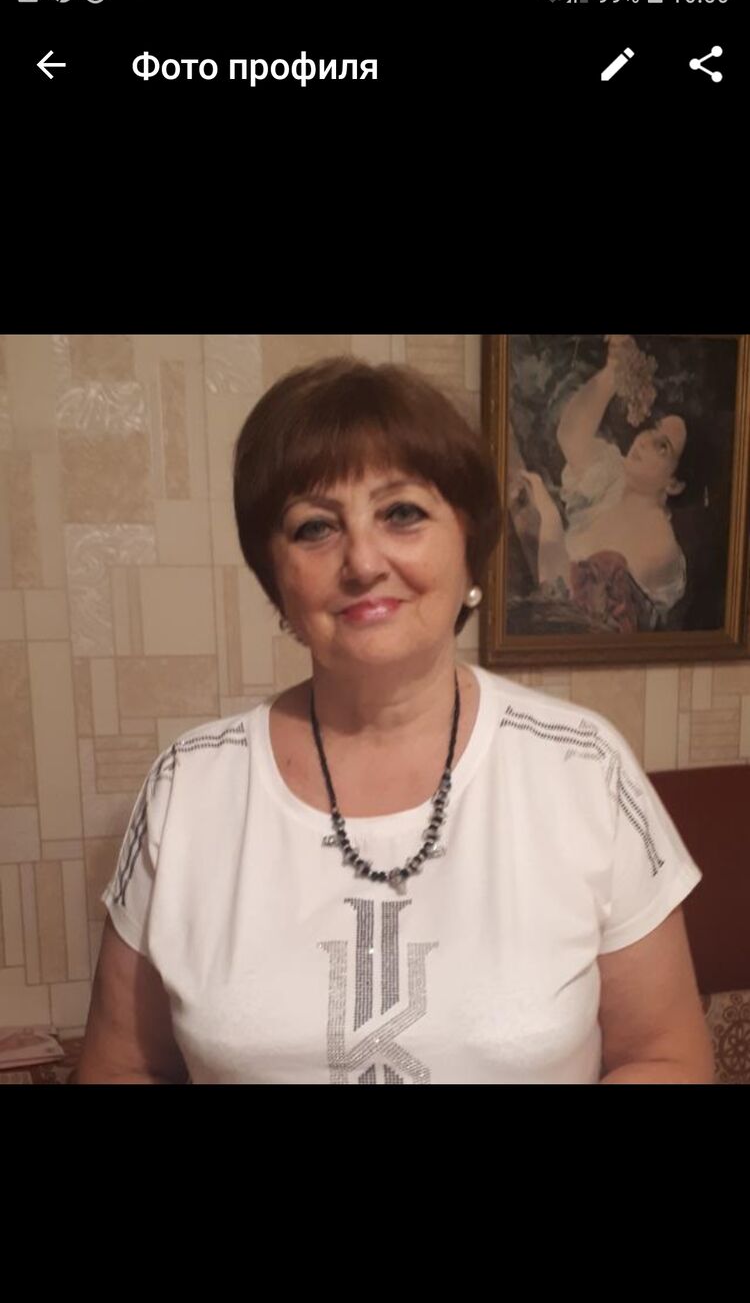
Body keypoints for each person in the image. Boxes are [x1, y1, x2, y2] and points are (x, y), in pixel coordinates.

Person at [75, 357, 713, 1084]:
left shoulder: (584, 767)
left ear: (469, 542)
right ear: (276, 579)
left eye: (402, 513)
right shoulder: (189, 786)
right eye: (315, 527)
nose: (362, 561)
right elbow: (120, 1066)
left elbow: (665, 1055)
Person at [518, 335, 689, 631]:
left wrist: (548, 513)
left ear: (674, 484)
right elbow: (571, 436)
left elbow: (566, 599)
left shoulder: (658, 545)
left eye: (662, 447)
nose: (644, 441)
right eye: (652, 429)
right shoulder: (613, 477)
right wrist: (612, 372)